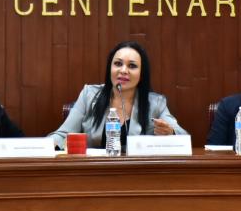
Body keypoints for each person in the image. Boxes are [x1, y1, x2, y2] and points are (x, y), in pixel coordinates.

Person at [49, 41, 187, 150]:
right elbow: (62, 135)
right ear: (110, 68)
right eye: (118, 64)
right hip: (92, 174)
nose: (123, 70)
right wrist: (47, 146)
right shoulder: (89, 95)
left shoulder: (156, 103)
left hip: (139, 176)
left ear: (142, 74)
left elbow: (183, 137)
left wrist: (171, 133)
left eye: (132, 66)